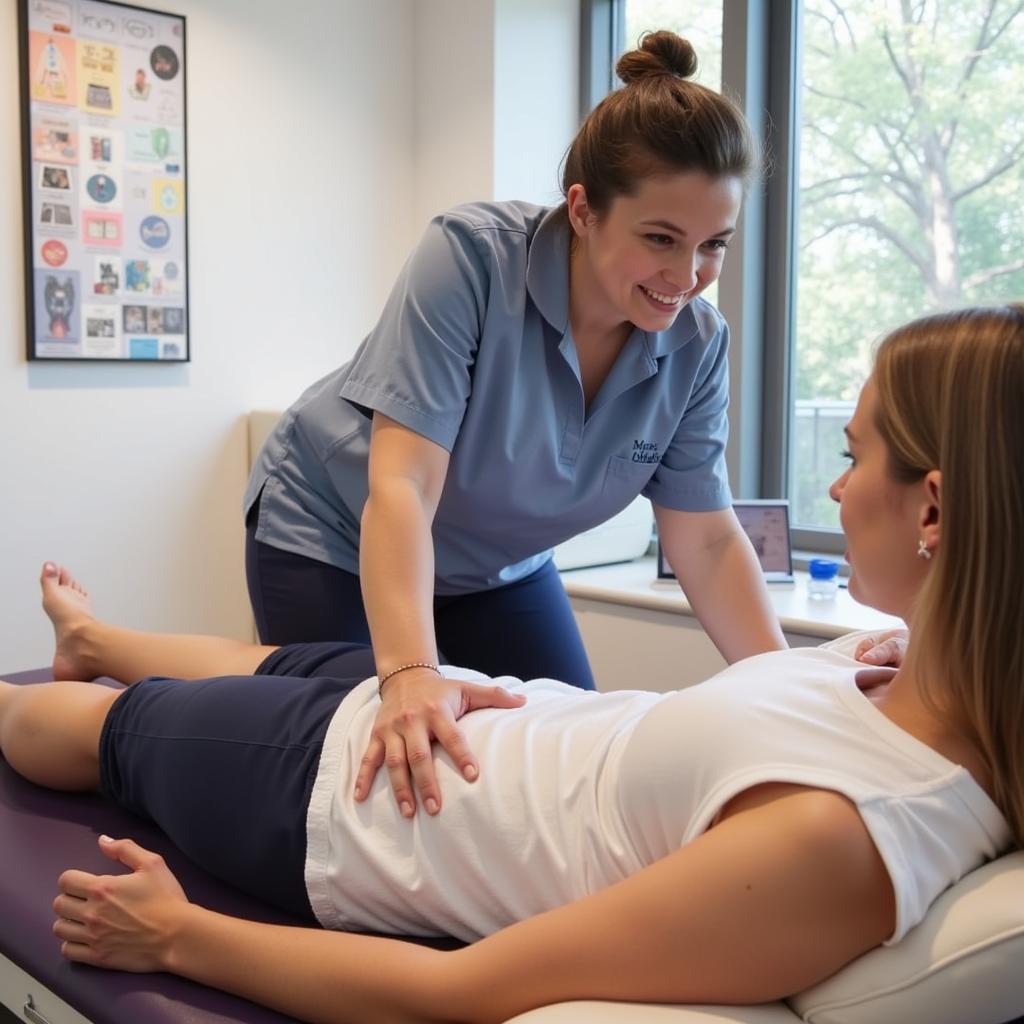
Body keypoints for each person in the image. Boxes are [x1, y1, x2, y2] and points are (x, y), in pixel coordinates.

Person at [2, 305, 1020, 1022]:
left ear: (932, 508)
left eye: (851, 455)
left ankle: (61, 678)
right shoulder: (910, 663)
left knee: (68, 722)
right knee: (251, 654)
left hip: (356, 804)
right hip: (460, 706)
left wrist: (179, 937)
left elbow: (464, 992)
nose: (834, 490)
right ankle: (93, 640)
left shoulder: (839, 836)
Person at [247, 30, 794, 814]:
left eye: (714, 245)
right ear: (582, 209)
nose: (686, 277)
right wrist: (408, 676)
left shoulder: (699, 347)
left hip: (497, 563)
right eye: (661, 240)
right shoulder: (470, 258)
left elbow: (705, 539)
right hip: (332, 526)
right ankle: (108, 655)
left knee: (566, 759)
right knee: (345, 763)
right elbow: (401, 484)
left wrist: (790, 687)